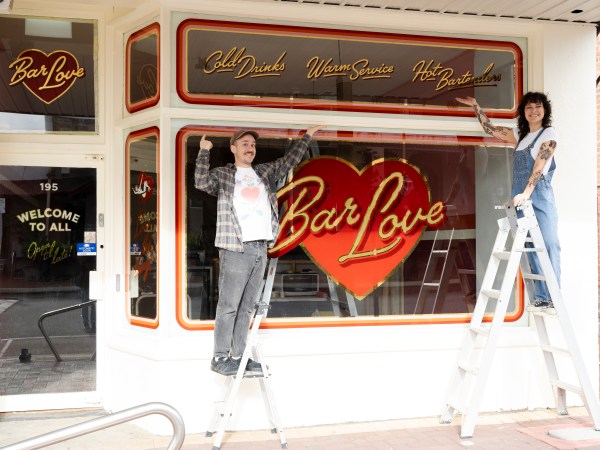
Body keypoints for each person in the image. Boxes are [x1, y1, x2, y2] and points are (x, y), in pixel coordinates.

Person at [195, 125, 325, 376]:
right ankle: (220, 356)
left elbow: (290, 161)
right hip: (235, 246)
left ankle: (239, 356)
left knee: (248, 307)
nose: (249, 148)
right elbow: (201, 181)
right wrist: (203, 152)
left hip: (260, 247)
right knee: (229, 305)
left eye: (252, 145)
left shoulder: (264, 172)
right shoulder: (224, 175)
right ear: (233, 148)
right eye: (244, 144)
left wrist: (307, 135)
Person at [456, 92, 560, 311]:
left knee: (549, 242)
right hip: (519, 196)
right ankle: (540, 295)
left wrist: (527, 193)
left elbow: (539, 167)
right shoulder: (520, 135)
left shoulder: (548, 133)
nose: (534, 111)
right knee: (529, 245)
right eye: (529, 107)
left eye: (538, 107)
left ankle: (553, 294)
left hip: (538, 194)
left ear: (544, 110)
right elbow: (491, 130)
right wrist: (476, 106)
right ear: (523, 112)